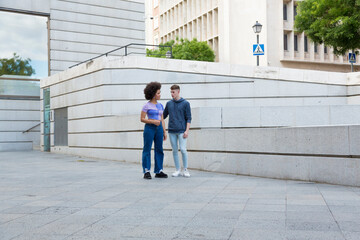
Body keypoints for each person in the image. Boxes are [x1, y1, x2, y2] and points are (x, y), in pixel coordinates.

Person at [140, 82, 168, 179]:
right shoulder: (146, 106)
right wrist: (152, 121)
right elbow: (142, 119)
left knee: (159, 149)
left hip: (159, 128)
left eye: (160, 93)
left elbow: (162, 119)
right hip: (149, 128)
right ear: (153, 94)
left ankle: (159, 170)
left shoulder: (160, 105)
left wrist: (164, 131)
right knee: (147, 149)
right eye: (158, 93)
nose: (160, 95)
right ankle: (146, 171)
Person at [163, 84, 192, 177]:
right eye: (171, 92)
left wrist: (187, 131)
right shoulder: (169, 103)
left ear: (178, 92)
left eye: (173, 92)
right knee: (174, 150)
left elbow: (189, 118)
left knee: (183, 149)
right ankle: (178, 170)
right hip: (171, 131)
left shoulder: (185, 103)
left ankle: (186, 170)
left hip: (182, 131)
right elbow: (163, 116)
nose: (172, 94)